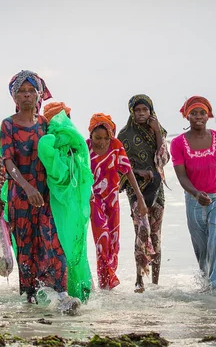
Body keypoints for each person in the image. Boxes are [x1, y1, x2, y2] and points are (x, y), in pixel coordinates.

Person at [0, 70, 80, 313]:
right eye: (21, 92)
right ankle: (32, 299)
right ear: (14, 96)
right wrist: (26, 187)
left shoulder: (45, 124)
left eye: (31, 91)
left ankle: (61, 296)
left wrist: (76, 183)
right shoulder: (8, 125)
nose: (26, 96)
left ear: (38, 94)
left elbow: (61, 156)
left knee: (53, 243)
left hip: (45, 197)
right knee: (27, 247)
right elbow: (8, 162)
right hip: (21, 197)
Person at [170, 96, 216, 291]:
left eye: (202, 113)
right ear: (187, 116)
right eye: (194, 113)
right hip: (194, 202)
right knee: (201, 249)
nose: (198, 117)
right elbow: (181, 176)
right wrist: (195, 194)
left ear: (208, 115)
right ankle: (205, 286)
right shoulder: (177, 143)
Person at [38, 102, 93, 302]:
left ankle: (76, 288)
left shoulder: (69, 143)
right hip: (58, 204)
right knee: (67, 244)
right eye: (64, 116)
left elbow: (81, 170)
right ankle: (71, 289)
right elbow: (60, 172)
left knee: (74, 242)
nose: (67, 121)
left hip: (69, 203)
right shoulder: (51, 141)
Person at [87, 113, 147, 290]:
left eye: (106, 138)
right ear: (90, 134)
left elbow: (127, 171)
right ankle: (106, 279)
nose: (102, 142)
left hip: (112, 200)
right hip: (93, 199)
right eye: (98, 138)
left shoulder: (115, 146)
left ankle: (107, 283)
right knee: (102, 239)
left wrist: (140, 197)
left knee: (114, 242)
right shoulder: (85, 147)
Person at [117, 95, 170, 293]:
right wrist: (139, 172)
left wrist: (157, 132)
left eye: (145, 110)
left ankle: (155, 282)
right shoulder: (124, 135)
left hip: (157, 190)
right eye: (137, 110)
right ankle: (139, 279)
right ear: (132, 111)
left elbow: (163, 159)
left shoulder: (158, 131)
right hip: (136, 191)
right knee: (141, 233)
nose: (141, 114)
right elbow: (120, 166)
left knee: (156, 236)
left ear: (151, 111)